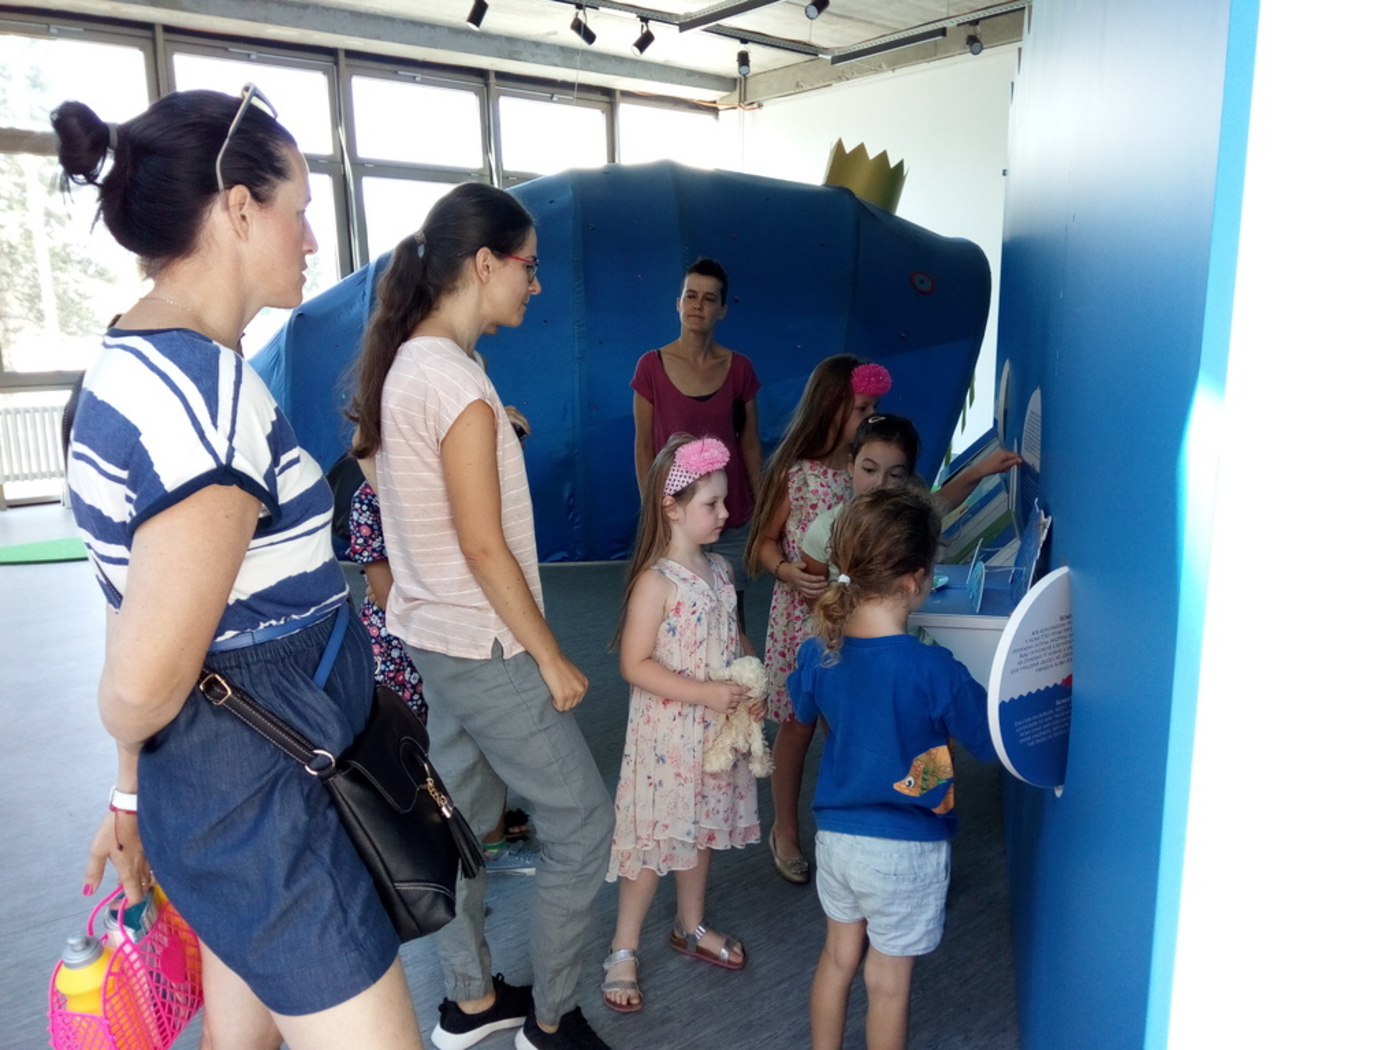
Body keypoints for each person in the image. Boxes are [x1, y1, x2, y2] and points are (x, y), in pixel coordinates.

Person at [54, 87, 420, 1048]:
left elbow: (131, 598)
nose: (311, 240)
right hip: (261, 792)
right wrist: (130, 723)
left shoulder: (137, 361)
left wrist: (133, 788)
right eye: (300, 210)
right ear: (240, 207)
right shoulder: (203, 409)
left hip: (240, 778)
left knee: (241, 1037)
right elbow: (143, 679)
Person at [347, 182, 614, 1050]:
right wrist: (551, 657)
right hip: (485, 644)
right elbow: (483, 547)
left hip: (430, 639)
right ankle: (551, 1021)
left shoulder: (405, 366)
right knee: (584, 825)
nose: (535, 284)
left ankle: (468, 1002)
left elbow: (394, 486)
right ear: (485, 262)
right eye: (528, 266)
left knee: (461, 824)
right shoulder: (457, 384)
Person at [788, 488, 996, 1050]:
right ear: (916, 580)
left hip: (836, 840)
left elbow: (802, 708)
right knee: (887, 983)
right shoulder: (934, 669)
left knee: (837, 958)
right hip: (906, 848)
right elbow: (989, 741)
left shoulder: (817, 652)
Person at [602, 434, 762, 1014]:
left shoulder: (720, 569)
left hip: (713, 735)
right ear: (671, 507)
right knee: (655, 839)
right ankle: (622, 948)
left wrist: (750, 681)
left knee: (701, 828)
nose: (725, 513)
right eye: (711, 504)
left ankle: (689, 925)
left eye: (724, 501)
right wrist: (705, 693)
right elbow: (634, 664)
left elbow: (733, 636)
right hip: (667, 740)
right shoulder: (657, 581)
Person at [744, 355, 889, 884]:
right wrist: (785, 570)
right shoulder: (795, 472)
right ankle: (784, 827)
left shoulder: (865, 471)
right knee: (798, 726)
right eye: (862, 408)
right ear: (831, 406)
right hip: (799, 623)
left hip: (854, 620)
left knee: (846, 725)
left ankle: (850, 827)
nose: (871, 418)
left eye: (874, 408)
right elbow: (762, 543)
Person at [631, 258, 762, 631]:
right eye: (691, 296)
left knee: (731, 619)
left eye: (709, 298)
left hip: (730, 517)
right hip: (676, 518)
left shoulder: (740, 369)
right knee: (675, 616)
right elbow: (644, 447)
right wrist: (654, 512)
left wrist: (763, 510)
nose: (698, 305)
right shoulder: (650, 367)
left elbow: (750, 445)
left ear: (722, 310)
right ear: (678, 303)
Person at [800, 414, 1022, 579]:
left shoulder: (914, 521)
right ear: (850, 465)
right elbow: (816, 601)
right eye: (869, 470)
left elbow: (942, 501)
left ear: (907, 476)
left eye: (895, 474)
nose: (880, 483)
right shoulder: (823, 530)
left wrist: (980, 470)